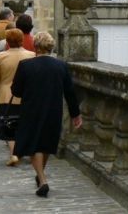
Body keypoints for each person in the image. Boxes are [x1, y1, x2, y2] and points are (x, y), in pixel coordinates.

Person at [11, 31, 82, 198]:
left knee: (34, 144)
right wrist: (75, 114)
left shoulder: (25, 65)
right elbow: (70, 92)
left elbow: (16, 91)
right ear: (51, 47)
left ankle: (42, 180)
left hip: (31, 109)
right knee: (47, 143)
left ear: (35, 46)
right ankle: (41, 174)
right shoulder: (61, 66)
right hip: (53, 109)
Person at [0, 28, 35, 167]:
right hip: (26, 95)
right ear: (21, 40)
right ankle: (27, 150)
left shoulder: (2, 56)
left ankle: (14, 154)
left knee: (9, 127)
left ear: (7, 41)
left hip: (6, 95)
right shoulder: (31, 55)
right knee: (25, 124)